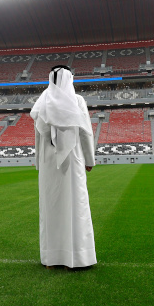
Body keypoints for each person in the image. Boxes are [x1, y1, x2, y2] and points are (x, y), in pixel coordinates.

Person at [31, 65, 96, 269]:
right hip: (72, 159)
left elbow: (37, 136)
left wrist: (38, 162)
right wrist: (89, 160)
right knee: (75, 204)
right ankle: (77, 258)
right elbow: (85, 132)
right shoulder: (77, 101)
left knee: (51, 206)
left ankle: (51, 259)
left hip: (47, 163)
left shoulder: (42, 102)